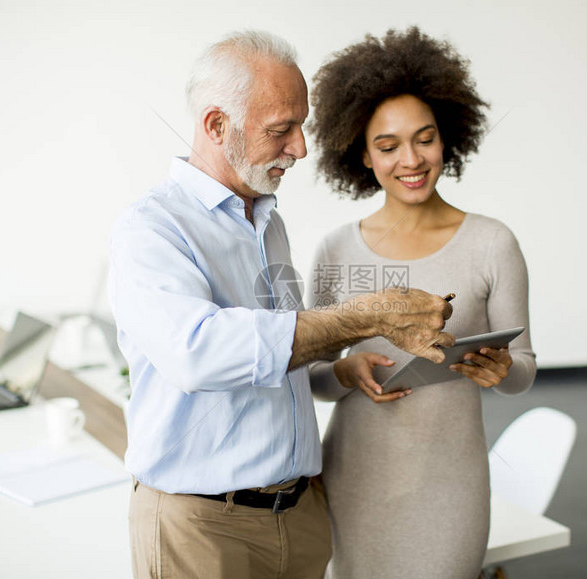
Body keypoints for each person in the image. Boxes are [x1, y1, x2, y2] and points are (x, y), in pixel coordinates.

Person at [108, 30, 455, 579]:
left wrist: (337, 365)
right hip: (204, 529)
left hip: (297, 516)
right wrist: (366, 315)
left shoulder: (268, 222)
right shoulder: (151, 229)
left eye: (301, 125)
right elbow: (199, 353)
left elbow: (274, 355)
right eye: (281, 130)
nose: (301, 148)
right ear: (216, 125)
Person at [307, 27, 537, 578]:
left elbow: (524, 368)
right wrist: (344, 369)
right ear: (362, 154)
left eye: (424, 138)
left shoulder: (491, 242)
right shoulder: (336, 249)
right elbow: (312, 377)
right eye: (387, 146)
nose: (410, 159)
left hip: (450, 483)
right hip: (354, 478)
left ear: (447, 139)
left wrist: (501, 369)